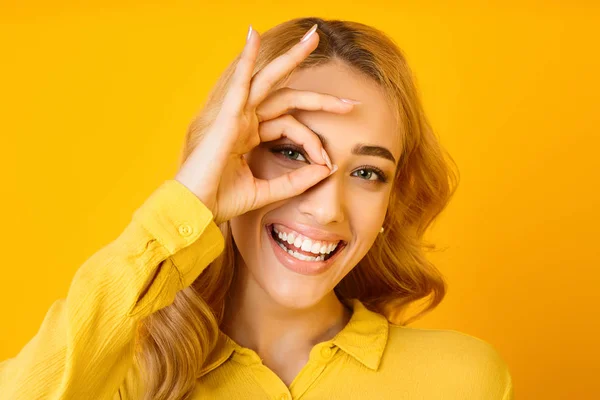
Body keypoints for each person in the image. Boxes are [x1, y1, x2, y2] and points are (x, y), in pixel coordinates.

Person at [0, 17, 514, 400]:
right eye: (291, 151)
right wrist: (189, 205)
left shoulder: (461, 379)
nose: (326, 209)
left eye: (366, 173)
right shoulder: (125, 375)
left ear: (389, 204)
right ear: (228, 158)